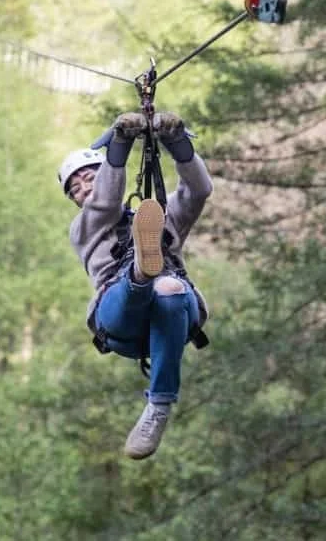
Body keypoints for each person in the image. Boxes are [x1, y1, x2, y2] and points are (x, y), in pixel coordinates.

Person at [59, 111, 213, 460]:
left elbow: (199, 191)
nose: (84, 189)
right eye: (76, 189)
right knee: (141, 285)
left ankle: (158, 407)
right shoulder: (83, 228)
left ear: (103, 175)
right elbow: (106, 202)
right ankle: (140, 273)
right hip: (119, 317)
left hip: (173, 313)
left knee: (169, 288)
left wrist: (177, 142)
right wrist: (121, 142)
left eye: (89, 178)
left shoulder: (162, 214)